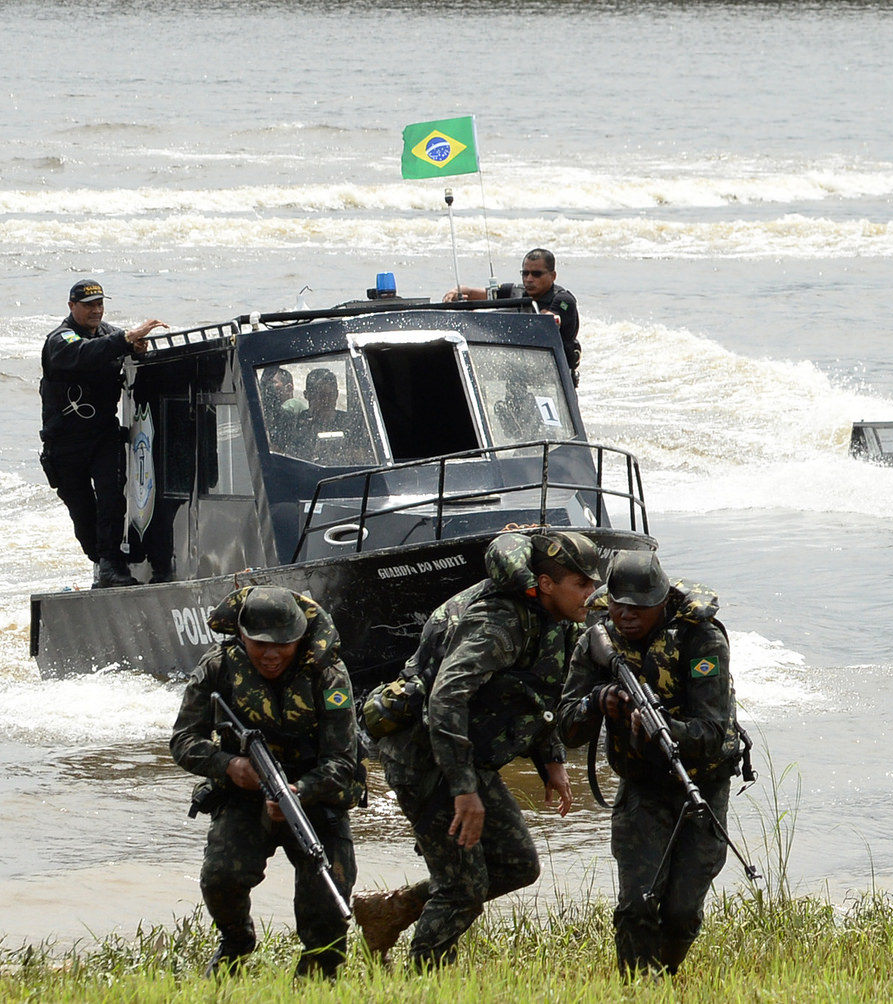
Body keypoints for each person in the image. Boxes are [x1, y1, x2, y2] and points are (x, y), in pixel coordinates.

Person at [352, 530, 602, 968]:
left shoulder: (553, 616)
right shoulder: (499, 622)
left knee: (518, 865)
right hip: (425, 758)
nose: (592, 594)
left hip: (465, 753)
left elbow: (536, 689)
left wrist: (552, 760)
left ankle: (387, 912)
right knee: (462, 890)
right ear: (546, 584)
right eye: (582, 584)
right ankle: (423, 983)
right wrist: (463, 790)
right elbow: (446, 698)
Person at [558, 552, 744, 978]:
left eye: (639, 608)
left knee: (681, 910)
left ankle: (664, 974)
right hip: (641, 786)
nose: (626, 616)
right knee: (637, 901)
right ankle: (637, 986)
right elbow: (567, 728)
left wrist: (667, 730)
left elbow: (714, 731)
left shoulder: (702, 639)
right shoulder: (597, 641)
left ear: (662, 602)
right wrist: (598, 702)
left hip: (701, 785)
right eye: (619, 605)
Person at [169, 585, 361, 979]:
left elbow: (343, 761)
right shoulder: (218, 667)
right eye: (260, 645)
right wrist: (228, 765)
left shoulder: (328, 673)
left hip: (315, 794)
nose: (271, 655)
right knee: (220, 878)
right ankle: (236, 943)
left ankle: (318, 976)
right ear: (242, 636)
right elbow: (183, 740)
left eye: (283, 645)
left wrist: (301, 791)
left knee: (329, 897)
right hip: (244, 793)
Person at [38, 280, 166, 587]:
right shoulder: (60, 339)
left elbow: (128, 357)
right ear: (72, 307)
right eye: (88, 306)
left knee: (112, 497)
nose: (96, 311)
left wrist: (136, 350)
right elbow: (85, 353)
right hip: (66, 444)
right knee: (84, 515)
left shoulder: (110, 334)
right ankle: (100, 559)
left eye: (100, 305)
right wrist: (126, 338)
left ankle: (112, 563)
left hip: (103, 436)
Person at [444, 249, 582, 385]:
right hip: (518, 374)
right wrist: (456, 292)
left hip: (555, 378)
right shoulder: (515, 292)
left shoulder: (563, 300)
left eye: (536, 274)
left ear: (553, 276)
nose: (529, 279)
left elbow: (546, 323)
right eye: (525, 273)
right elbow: (476, 293)